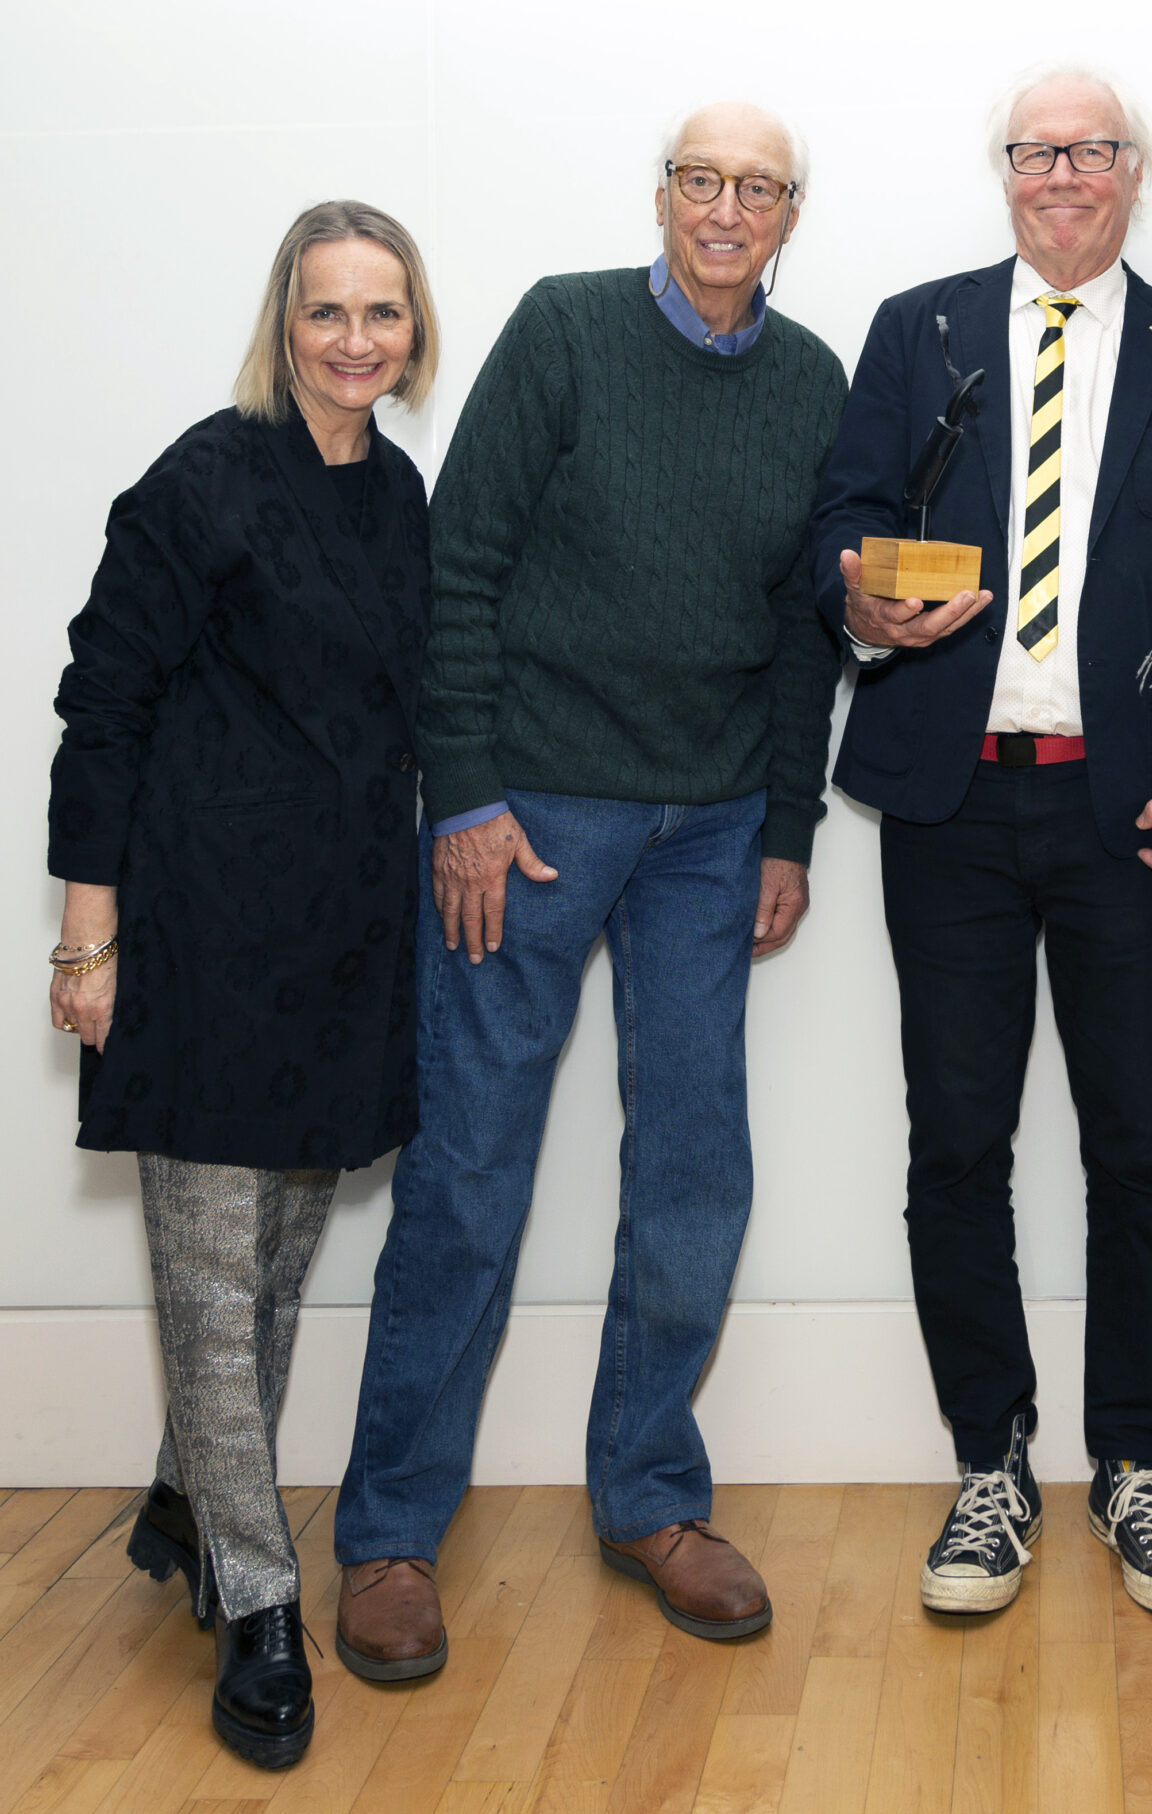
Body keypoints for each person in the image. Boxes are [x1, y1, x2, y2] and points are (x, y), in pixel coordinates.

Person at [332, 102, 848, 1677]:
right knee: (472, 1168)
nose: (724, 209)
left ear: (788, 216)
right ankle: (392, 1531)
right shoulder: (562, 331)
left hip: (708, 830)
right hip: (533, 810)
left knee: (696, 1165)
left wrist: (786, 827)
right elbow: (461, 566)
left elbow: (801, 628)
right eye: (702, 179)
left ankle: (648, 1494)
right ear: (663, 195)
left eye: (756, 189)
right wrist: (467, 794)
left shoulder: (814, 381)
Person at [808, 64, 1152, 1618]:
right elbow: (844, 511)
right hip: (951, 801)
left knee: (1135, 1143)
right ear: (1006, 171)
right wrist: (858, 594)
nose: (1063, 175)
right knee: (956, 1141)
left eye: (1093, 151)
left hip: (1129, 808)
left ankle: (1138, 1468)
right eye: (1037, 152)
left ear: (1134, 174)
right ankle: (990, 1463)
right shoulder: (918, 329)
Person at [48, 201, 439, 1768]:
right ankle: (260, 1599)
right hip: (201, 938)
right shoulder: (199, 480)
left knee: (273, 1269)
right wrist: (92, 937)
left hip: (343, 935)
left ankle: (181, 1497)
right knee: (212, 1287)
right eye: (328, 311)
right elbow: (103, 712)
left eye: (385, 315)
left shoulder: (402, 494)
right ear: (284, 321)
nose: (356, 340)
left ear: (416, 332)